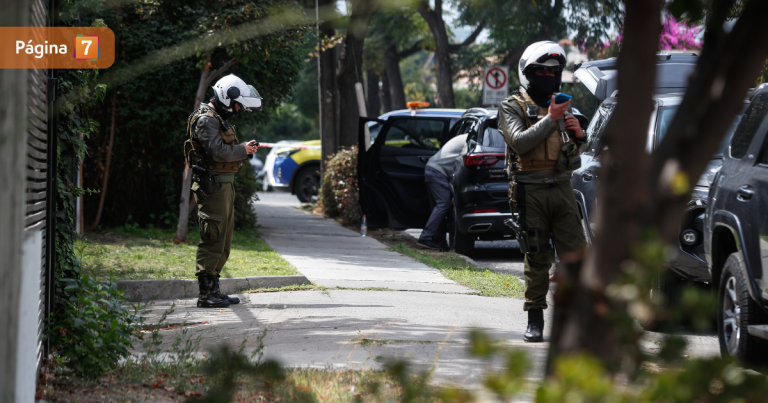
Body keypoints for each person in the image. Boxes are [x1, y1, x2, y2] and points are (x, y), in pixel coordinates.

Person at [498, 41, 587, 342]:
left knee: (575, 258)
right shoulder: (511, 106)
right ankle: (535, 319)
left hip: (562, 188)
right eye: (541, 71)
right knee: (537, 258)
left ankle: (574, 322)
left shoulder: (561, 104)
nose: (548, 76)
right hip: (530, 191)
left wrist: (578, 134)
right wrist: (551, 118)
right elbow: (520, 143)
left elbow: (570, 152)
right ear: (527, 73)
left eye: (554, 71)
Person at [184, 74, 263, 308]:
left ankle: (214, 289)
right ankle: (206, 294)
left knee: (224, 239)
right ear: (226, 96)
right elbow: (217, 153)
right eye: (237, 104)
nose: (237, 109)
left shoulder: (216, 117)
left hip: (223, 182)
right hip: (213, 184)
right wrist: (242, 150)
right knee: (213, 235)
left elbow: (223, 151)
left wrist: (243, 150)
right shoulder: (206, 119)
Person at [417, 133, 468, 251]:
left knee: (439, 207)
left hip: (433, 170)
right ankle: (426, 236)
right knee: (443, 204)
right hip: (437, 172)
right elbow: (462, 164)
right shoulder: (469, 140)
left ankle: (440, 243)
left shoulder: (465, 137)